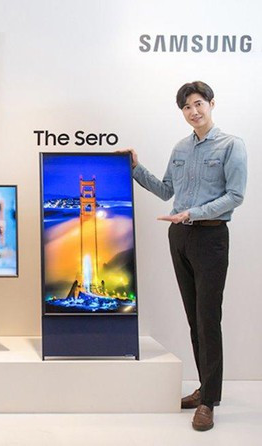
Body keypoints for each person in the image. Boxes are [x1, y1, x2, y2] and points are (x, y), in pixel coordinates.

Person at [122, 81, 247, 431]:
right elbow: (166, 191)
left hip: (210, 236)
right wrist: (136, 168)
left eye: (198, 104)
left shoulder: (231, 145)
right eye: (186, 107)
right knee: (194, 318)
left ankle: (209, 402)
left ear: (211, 104)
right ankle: (205, 388)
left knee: (208, 318)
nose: (193, 111)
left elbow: (236, 195)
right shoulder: (180, 148)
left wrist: (193, 213)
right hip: (179, 236)